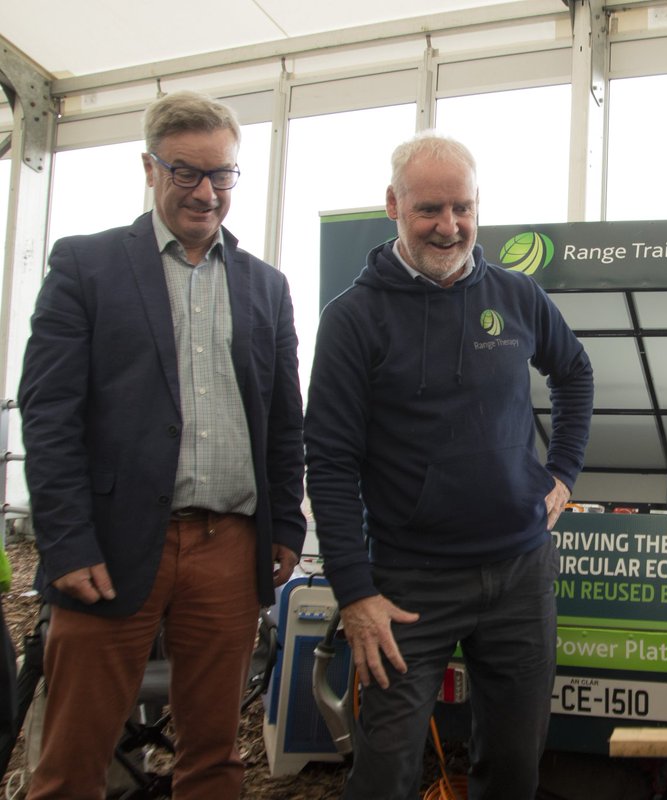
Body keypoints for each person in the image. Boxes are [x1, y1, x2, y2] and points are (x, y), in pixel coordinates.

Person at [18, 90, 306, 799]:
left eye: (223, 175)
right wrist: (67, 541)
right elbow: (48, 411)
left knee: (213, 760)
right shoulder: (87, 267)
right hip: (111, 550)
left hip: (230, 548)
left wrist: (286, 527)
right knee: (72, 763)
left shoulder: (266, 287)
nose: (206, 192)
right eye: (186, 171)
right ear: (149, 169)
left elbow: (283, 418)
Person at [304, 130, 594, 800]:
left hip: (521, 572)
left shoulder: (516, 295)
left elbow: (574, 373)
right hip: (408, 586)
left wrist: (564, 471)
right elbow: (330, 462)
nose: (449, 225)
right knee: (385, 768)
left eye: (462, 207)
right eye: (429, 209)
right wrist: (355, 592)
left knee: (516, 763)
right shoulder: (354, 319)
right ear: (393, 206)